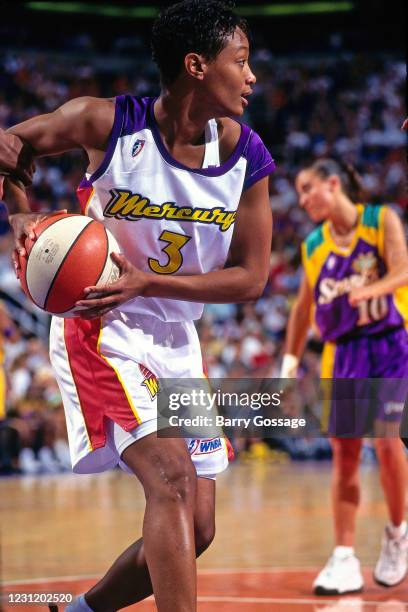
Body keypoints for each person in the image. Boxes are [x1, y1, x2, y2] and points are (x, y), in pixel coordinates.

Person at [0, 1, 275, 610]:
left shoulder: (246, 155)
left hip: (174, 330)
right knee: (171, 478)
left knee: (198, 527)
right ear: (197, 65)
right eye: (243, 60)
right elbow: (10, 143)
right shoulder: (109, 123)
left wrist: (148, 282)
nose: (253, 75)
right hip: (101, 323)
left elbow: (251, 279)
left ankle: (81, 611)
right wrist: (20, 209)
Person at [280, 158, 408, 595]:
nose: (301, 199)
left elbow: (404, 269)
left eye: (306, 188)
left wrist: (368, 289)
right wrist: (290, 362)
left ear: (332, 184)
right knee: (346, 456)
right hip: (345, 353)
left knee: (388, 442)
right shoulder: (314, 245)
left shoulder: (380, 219)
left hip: (391, 344)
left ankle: (396, 534)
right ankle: (344, 557)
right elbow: (302, 308)